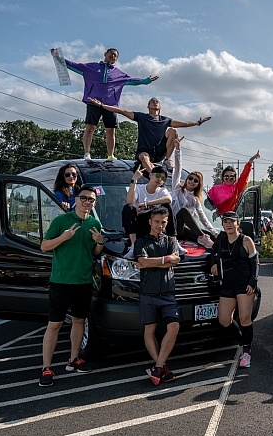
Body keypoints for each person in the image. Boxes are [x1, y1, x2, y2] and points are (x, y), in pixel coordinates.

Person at [38, 184, 104, 387]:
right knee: (54, 325)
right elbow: (44, 246)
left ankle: (74, 359)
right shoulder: (61, 221)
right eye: (83, 198)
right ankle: (46, 368)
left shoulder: (94, 224)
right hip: (61, 281)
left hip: (83, 282)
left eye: (91, 200)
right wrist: (64, 237)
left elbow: (94, 253)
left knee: (79, 321)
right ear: (76, 199)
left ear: (94, 203)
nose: (87, 202)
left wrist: (100, 242)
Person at [52, 47, 158, 161]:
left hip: (111, 105)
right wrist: (57, 57)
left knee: (111, 130)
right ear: (105, 54)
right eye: (111, 54)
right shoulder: (91, 67)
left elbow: (133, 80)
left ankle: (110, 155)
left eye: (115, 56)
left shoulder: (119, 74)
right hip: (93, 102)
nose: (113, 56)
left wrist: (146, 81)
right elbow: (73, 65)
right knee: (90, 127)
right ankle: (87, 153)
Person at [88, 96, 211, 173]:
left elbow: (184, 123)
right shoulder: (142, 117)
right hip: (145, 152)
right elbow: (122, 111)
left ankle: (168, 160)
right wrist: (101, 105)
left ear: (160, 106)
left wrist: (198, 122)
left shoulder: (165, 120)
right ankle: (155, 176)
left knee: (173, 131)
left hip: (160, 152)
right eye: (152, 101)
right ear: (148, 106)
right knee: (144, 158)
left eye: (157, 101)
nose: (155, 102)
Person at [132, 206, 181, 385]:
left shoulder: (170, 241)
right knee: (150, 330)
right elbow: (142, 261)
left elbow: (175, 260)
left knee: (174, 326)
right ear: (150, 222)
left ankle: (158, 367)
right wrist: (165, 260)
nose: (160, 225)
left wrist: (152, 263)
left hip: (167, 293)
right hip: (148, 293)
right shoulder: (141, 242)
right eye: (157, 222)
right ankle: (162, 367)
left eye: (164, 222)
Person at [211, 211, 259, 368]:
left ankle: (246, 351)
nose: (229, 224)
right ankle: (241, 337)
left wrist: (253, 282)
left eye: (232, 221)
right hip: (227, 284)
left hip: (244, 284)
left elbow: (255, 262)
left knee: (245, 318)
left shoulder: (246, 240)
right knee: (224, 320)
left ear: (238, 223)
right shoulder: (221, 239)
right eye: (226, 222)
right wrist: (214, 263)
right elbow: (213, 252)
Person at [169, 137, 217, 248]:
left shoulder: (195, 199)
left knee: (210, 235)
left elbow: (203, 217)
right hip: (170, 226)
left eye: (196, 181)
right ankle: (202, 237)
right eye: (190, 178)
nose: (192, 181)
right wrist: (177, 150)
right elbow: (177, 170)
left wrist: (214, 232)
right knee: (184, 211)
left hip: (180, 230)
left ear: (198, 185)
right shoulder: (177, 188)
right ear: (187, 179)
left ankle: (211, 244)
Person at [123, 165, 174, 258]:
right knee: (128, 208)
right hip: (139, 224)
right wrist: (134, 179)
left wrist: (147, 204)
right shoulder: (139, 188)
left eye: (163, 178)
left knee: (167, 206)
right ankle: (134, 245)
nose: (160, 179)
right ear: (150, 175)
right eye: (158, 175)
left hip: (154, 225)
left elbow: (169, 199)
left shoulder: (162, 190)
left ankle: (174, 241)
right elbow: (130, 202)